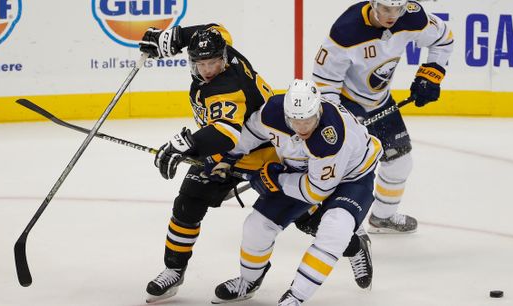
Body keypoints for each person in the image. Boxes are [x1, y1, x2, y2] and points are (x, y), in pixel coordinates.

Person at [138, 23, 278, 303]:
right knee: (188, 202)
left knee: (298, 213)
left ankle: (351, 243)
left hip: (266, 152)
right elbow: (215, 28)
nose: (207, 70)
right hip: (224, 152)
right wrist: (174, 37)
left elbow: (226, 133)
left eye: (213, 63)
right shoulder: (225, 46)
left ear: (223, 58)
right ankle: (174, 270)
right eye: (200, 63)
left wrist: (187, 144)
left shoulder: (226, 86)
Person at [211, 79, 383, 305]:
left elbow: (316, 191)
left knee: (335, 228)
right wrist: (226, 158)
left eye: (308, 120)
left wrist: (276, 179)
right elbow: (251, 133)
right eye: (295, 121)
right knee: (257, 225)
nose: (302, 128)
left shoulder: (329, 137)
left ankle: (296, 297)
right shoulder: (273, 111)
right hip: (307, 172)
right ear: (286, 114)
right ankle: (249, 281)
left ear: (318, 109)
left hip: (354, 175)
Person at [311, 0, 454, 233]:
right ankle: (341, 226)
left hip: (380, 102)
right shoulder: (346, 31)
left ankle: (383, 217)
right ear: (373, 3)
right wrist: (341, 120)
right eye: (386, 9)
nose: (392, 15)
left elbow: (444, 38)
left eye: (397, 9)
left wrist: (431, 75)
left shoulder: (412, 16)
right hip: (346, 105)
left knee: (400, 162)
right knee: (346, 170)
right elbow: (325, 83)